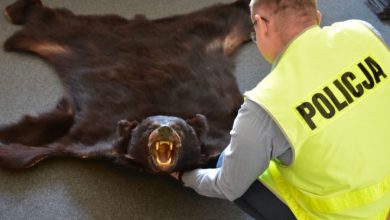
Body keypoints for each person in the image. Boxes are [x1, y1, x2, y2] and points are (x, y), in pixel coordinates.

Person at [171, 0, 390, 219]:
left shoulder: (265, 106)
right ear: (318, 16)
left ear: (262, 24)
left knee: (230, 165)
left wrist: (183, 176)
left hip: (341, 215)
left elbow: (228, 185)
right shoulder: (363, 31)